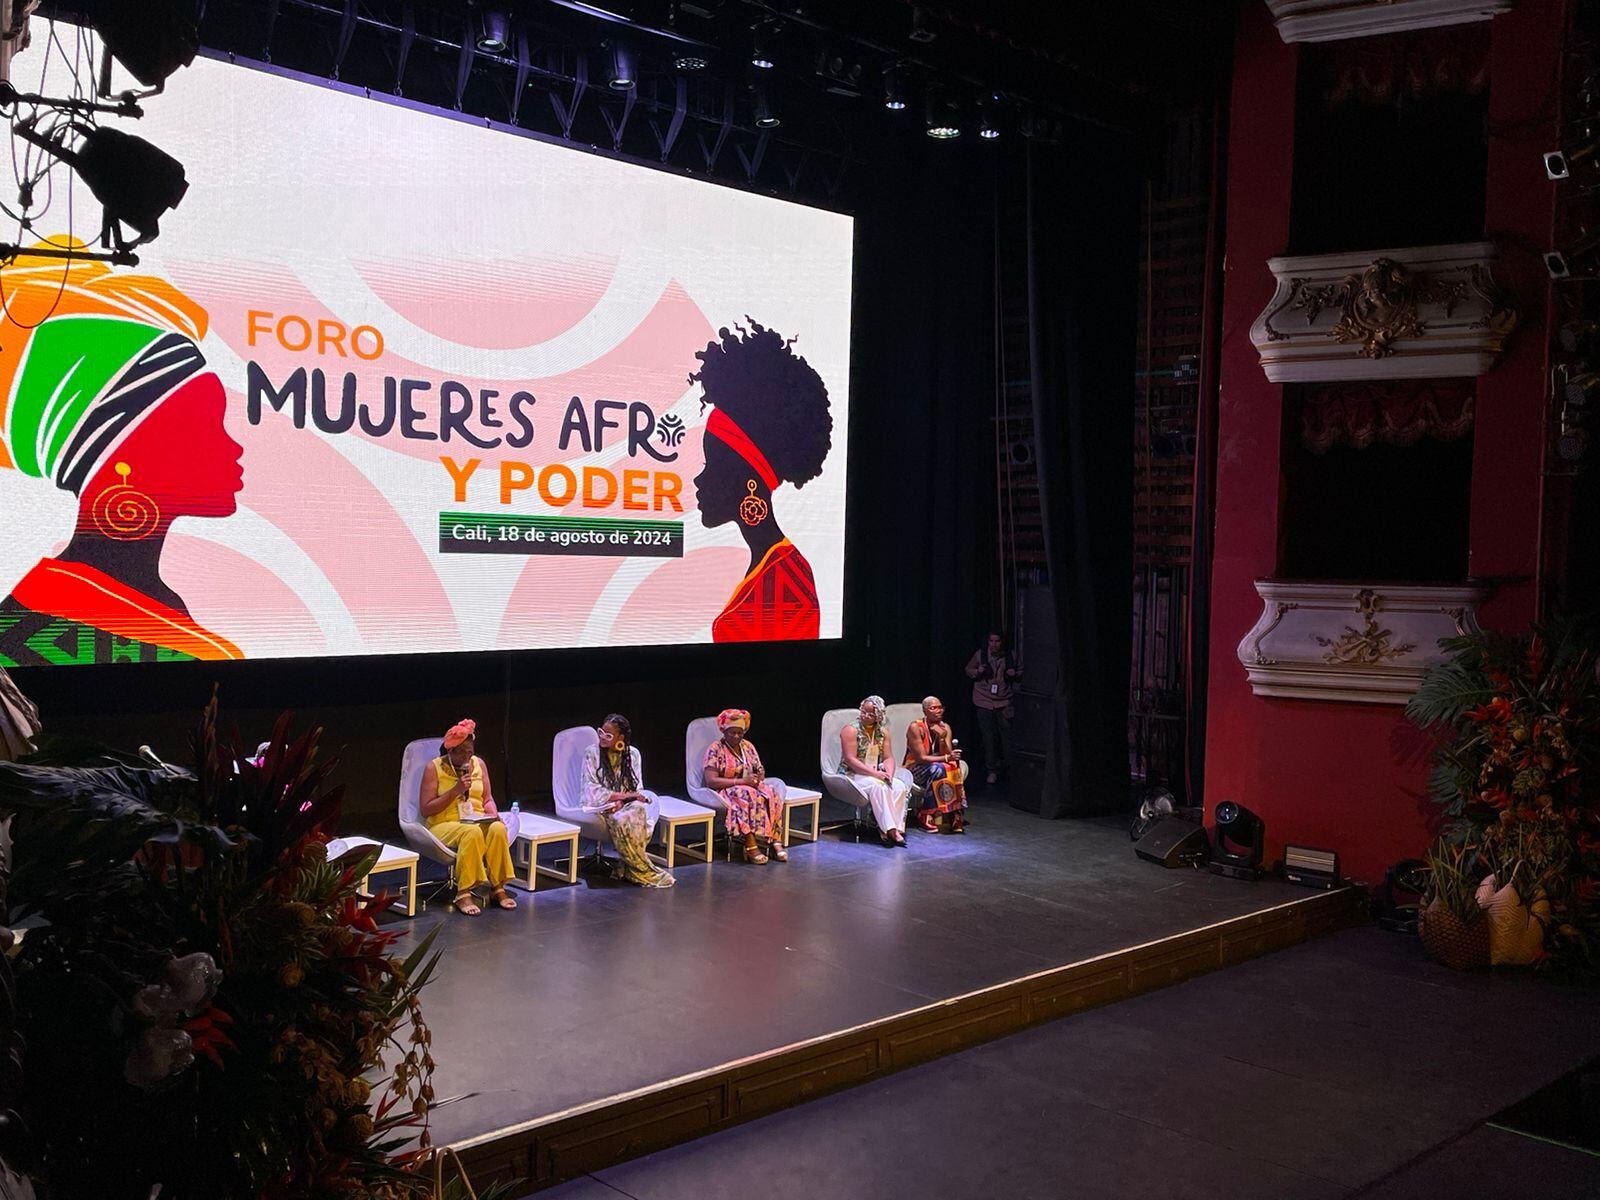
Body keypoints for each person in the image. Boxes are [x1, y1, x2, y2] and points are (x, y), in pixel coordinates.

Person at [0, 241, 245, 665]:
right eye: (205, 426)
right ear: (120, 457)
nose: (233, 447)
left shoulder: (151, 604)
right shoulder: (37, 627)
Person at [690, 320, 834, 642]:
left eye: (710, 465)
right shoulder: (780, 567)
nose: (698, 479)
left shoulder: (786, 580)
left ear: (749, 482)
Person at [418, 719, 516, 916]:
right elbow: (426, 809)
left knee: (497, 829)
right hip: (443, 822)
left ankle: (498, 887)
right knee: (472, 833)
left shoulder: (479, 764)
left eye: (470, 752)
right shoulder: (434, 768)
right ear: (450, 751)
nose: (467, 757)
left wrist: (494, 815)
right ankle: (463, 892)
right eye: (461, 752)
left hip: (476, 819)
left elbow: (487, 798)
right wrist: (455, 790)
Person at [579, 714, 675, 889]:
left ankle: (627, 867)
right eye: (600, 732)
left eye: (608, 735)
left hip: (625, 802)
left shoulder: (633, 754)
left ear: (621, 738)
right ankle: (640, 870)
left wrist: (623, 801)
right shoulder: (592, 753)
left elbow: (637, 788)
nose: (602, 737)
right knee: (620, 819)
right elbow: (590, 789)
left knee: (639, 810)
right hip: (601, 804)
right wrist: (618, 798)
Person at [701, 708, 787, 864]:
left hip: (748, 785)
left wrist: (759, 774)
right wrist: (741, 782)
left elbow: (758, 771)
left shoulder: (748, 746)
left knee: (771, 793)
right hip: (725, 789)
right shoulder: (715, 749)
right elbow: (711, 781)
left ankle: (775, 840)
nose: (736, 736)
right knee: (746, 794)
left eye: (739, 733)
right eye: (732, 733)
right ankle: (750, 844)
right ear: (724, 731)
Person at [838, 695, 910, 847]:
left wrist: (889, 774)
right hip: (852, 774)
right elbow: (850, 760)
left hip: (873, 772)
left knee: (898, 786)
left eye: (870, 714)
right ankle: (888, 830)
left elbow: (888, 757)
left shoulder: (882, 732)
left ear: (878, 716)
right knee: (879, 787)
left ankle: (897, 827)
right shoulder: (850, 730)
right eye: (863, 711)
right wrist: (876, 774)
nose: (865, 716)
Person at [904, 695, 969, 834]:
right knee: (938, 768)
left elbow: (947, 753)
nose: (938, 711)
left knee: (952, 766)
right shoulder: (916, 727)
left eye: (940, 707)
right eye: (934, 708)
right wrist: (946, 757)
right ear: (925, 711)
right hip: (914, 768)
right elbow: (921, 758)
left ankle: (953, 812)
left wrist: (942, 738)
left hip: (936, 765)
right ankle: (926, 813)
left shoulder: (945, 727)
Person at [966, 633, 1019, 785]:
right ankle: (992, 770)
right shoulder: (981, 654)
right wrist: (978, 671)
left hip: (1004, 702)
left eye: (997, 641)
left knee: (1007, 738)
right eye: (991, 641)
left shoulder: (1011, 656)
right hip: (984, 701)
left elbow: (1023, 672)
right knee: (988, 738)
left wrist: (1014, 674)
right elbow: (968, 669)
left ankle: (1010, 770)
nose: (994, 644)